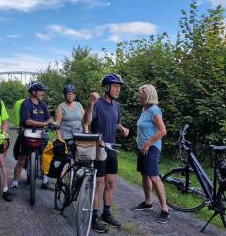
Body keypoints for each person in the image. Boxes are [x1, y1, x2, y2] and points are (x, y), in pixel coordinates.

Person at [83, 73, 129, 233]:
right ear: (107, 87)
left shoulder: (116, 106)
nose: (118, 90)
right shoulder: (98, 104)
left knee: (111, 183)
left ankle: (106, 213)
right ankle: (94, 216)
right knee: (99, 185)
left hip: (112, 149)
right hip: (99, 149)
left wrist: (122, 128)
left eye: (119, 87)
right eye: (115, 86)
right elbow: (87, 122)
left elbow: (116, 122)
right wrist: (91, 103)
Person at [133, 84, 169, 223]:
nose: (139, 95)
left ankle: (165, 209)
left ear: (147, 95)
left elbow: (162, 131)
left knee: (154, 177)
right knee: (144, 174)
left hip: (151, 148)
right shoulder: (144, 108)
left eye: (141, 93)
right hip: (142, 147)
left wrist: (147, 143)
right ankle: (148, 202)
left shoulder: (154, 109)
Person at [11, 81, 55, 190]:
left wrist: (50, 122)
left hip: (40, 133)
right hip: (27, 133)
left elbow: (49, 117)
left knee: (44, 156)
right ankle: (15, 182)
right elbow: (27, 121)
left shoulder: (42, 104)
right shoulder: (26, 104)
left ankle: (45, 180)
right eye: (40, 91)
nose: (42, 93)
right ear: (33, 92)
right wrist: (44, 123)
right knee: (21, 159)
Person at [55, 85, 84, 152]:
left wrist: (86, 134)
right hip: (66, 137)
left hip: (79, 135)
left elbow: (84, 121)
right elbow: (57, 124)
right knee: (68, 158)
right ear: (65, 95)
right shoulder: (61, 107)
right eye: (68, 94)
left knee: (81, 157)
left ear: (74, 95)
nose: (70, 96)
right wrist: (59, 139)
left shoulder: (79, 105)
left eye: (72, 94)